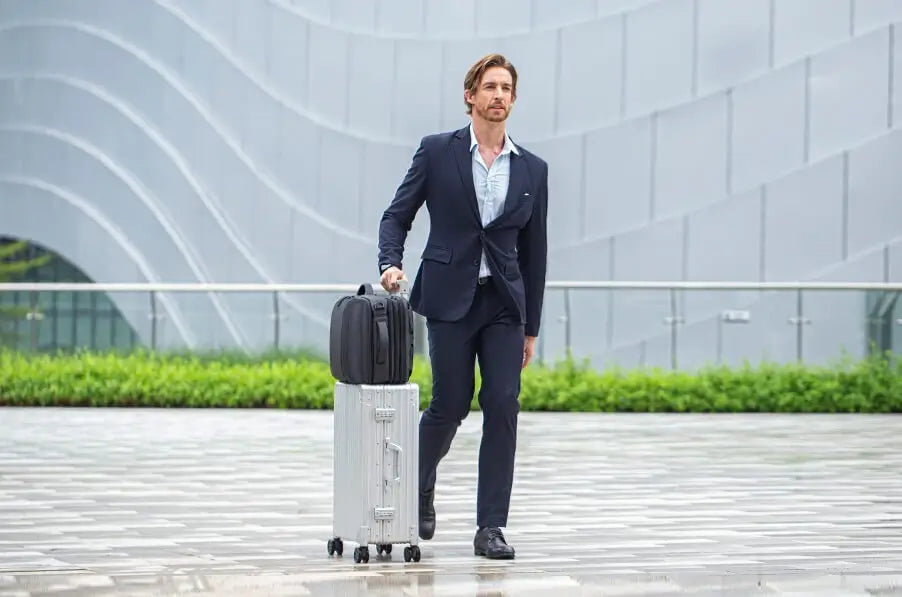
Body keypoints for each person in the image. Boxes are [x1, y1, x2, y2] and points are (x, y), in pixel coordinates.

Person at [377, 53, 548, 560]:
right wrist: (390, 263)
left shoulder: (532, 169)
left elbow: (536, 253)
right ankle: (421, 482)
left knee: (502, 403)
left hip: (504, 304)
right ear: (470, 95)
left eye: (506, 88)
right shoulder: (437, 152)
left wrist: (531, 327)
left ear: (514, 100)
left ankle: (490, 527)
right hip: (450, 297)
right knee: (449, 404)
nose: (498, 95)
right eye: (489, 87)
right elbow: (397, 215)